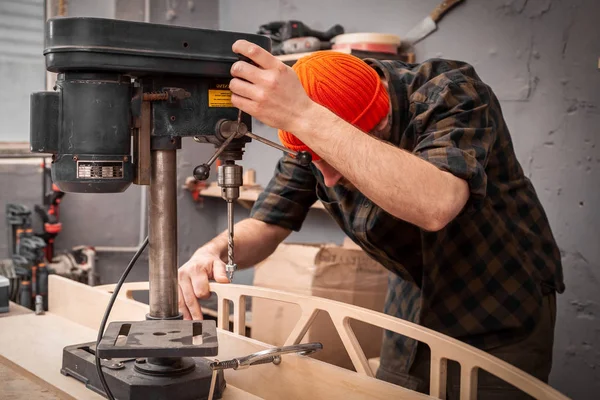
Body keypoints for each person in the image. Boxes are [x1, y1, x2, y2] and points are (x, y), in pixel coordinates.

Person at [178, 40, 564, 398]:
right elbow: (267, 223)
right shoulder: (309, 131)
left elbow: (436, 204)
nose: (325, 178)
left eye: (334, 162)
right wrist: (209, 252)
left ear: (380, 126)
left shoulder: (449, 92)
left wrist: (304, 115)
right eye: (314, 160)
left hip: (500, 301)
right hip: (411, 303)